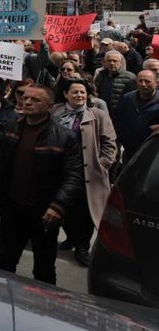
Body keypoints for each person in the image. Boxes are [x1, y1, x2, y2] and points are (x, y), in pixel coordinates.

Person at [0, 84, 83, 285]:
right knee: (4, 263)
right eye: (25, 97)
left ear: (50, 106)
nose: (27, 102)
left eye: (35, 100)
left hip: (44, 213)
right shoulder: (13, 127)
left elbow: (74, 176)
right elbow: (2, 165)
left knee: (44, 270)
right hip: (12, 209)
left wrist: (58, 206)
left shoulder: (65, 137)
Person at [51, 78, 117, 266]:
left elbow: (109, 142)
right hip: (60, 169)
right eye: (75, 92)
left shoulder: (97, 115)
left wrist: (101, 164)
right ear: (66, 94)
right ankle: (70, 238)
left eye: (82, 92)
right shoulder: (55, 112)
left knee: (83, 211)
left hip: (85, 172)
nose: (79, 95)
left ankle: (82, 246)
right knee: (64, 205)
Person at [113, 69, 159, 160]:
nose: (143, 84)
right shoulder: (127, 98)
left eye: (147, 81)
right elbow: (118, 120)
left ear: (156, 83)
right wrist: (122, 138)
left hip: (154, 153)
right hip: (130, 151)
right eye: (140, 81)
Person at [94, 50, 137, 115]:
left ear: (120, 63)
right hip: (104, 113)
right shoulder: (101, 75)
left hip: (122, 114)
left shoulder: (130, 78)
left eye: (115, 61)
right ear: (105, 62)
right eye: (109, 61)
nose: (112, 63)